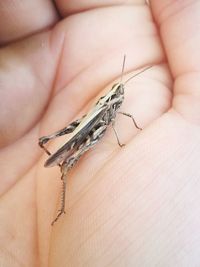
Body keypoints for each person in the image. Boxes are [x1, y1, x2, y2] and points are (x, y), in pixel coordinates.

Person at [0, 1, 200, 266]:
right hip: (87, 129)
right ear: (113, 97)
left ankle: (62, 166)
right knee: (67, 164)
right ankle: (60, 197)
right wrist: (118, 137)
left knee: (70, 158)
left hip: (92, 128)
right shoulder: (110, 107)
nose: (122, 96)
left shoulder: (115, 104)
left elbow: (118, 118)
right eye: (119, 93)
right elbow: (111, 123)